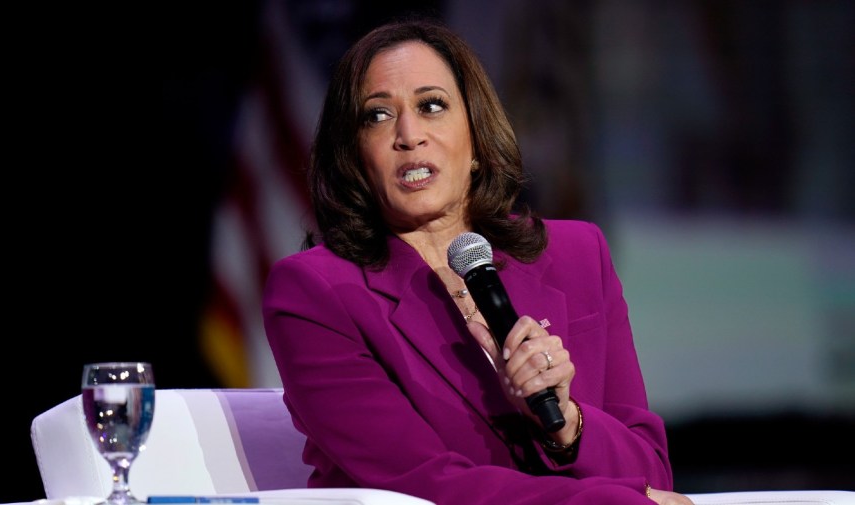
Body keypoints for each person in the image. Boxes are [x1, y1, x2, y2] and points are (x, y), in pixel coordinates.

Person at [262, 18, 694, 505]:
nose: (409, 134)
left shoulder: (577, 255)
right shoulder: (315, 292)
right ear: (354, 154)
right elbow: (419, 483)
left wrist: (568, 421)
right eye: (377, 116)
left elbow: (649, 468)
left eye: (432, 106)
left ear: (475, 136)